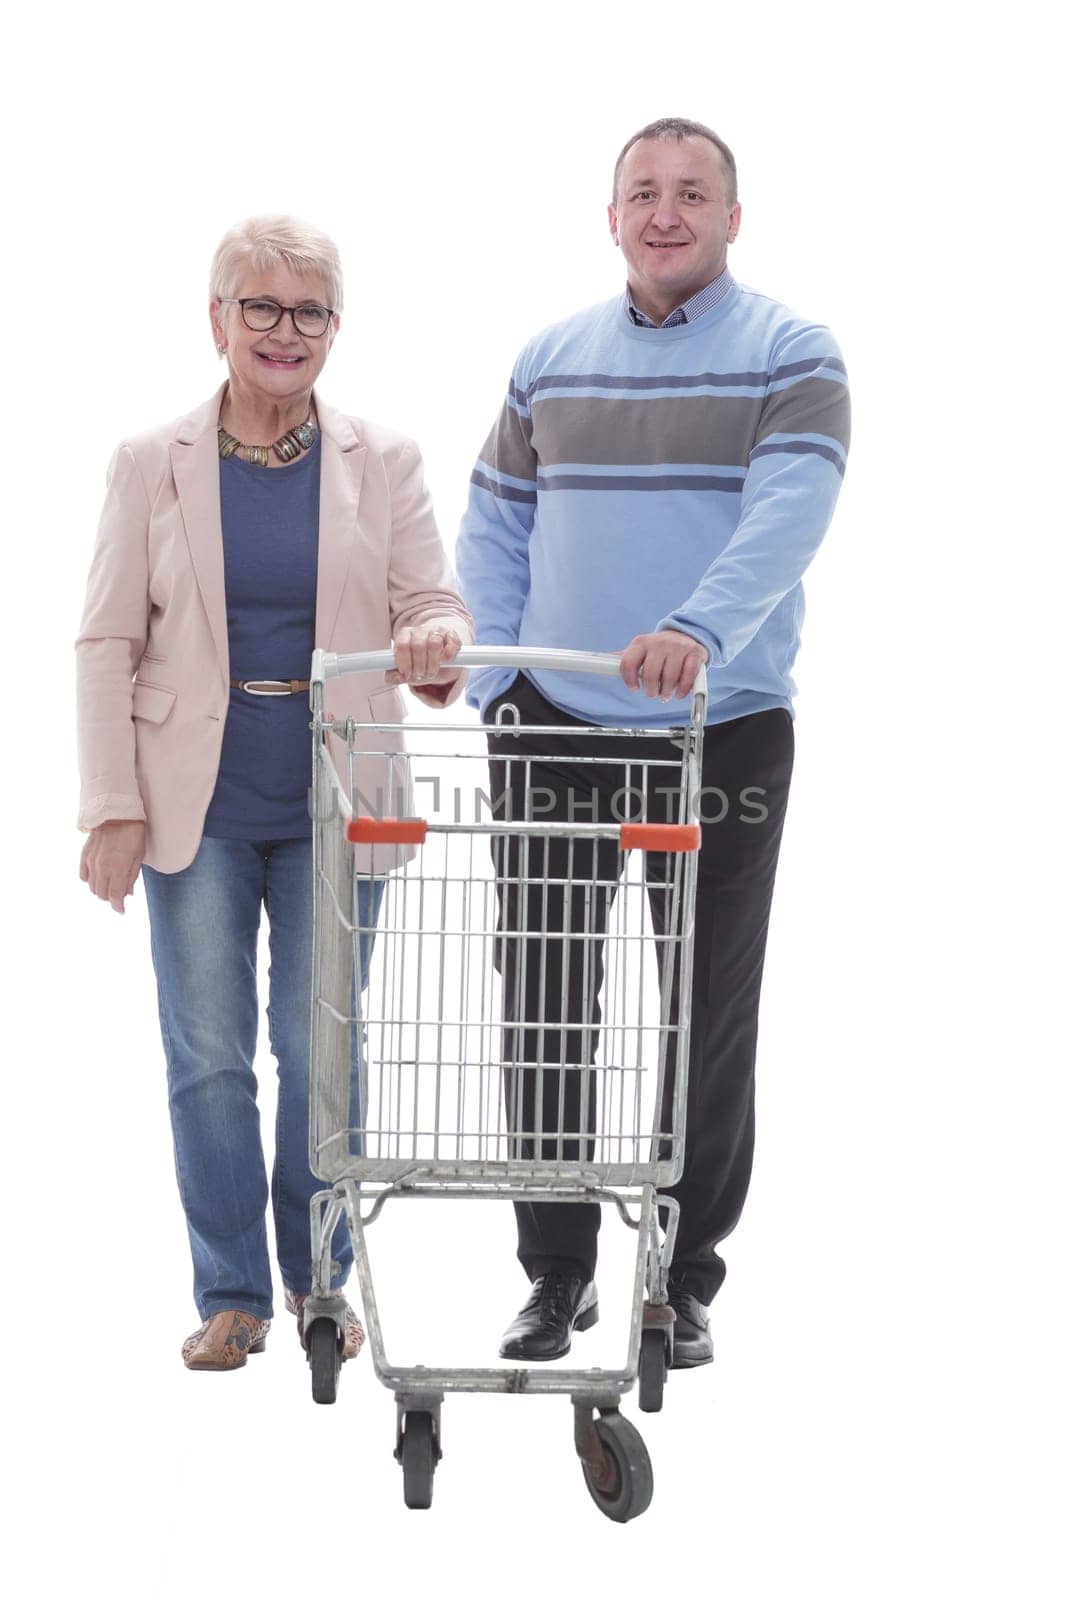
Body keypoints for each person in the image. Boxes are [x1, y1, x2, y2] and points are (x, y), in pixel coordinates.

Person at [456, 119, 850, 1367]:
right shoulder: (549, 359)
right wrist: (501, 677)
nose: (666, 212)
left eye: (692, 194)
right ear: (610, 216)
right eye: (643, 193)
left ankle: (679, 1279)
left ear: (733, 217)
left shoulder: (792, 352)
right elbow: (497, 519)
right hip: (555, 724)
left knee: (702, 1008)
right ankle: (556, 1270)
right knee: (548, 1002)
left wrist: (698, 628)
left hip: (718, 728)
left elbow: (789, 513)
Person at [76, 215, 473, 1372]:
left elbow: (425, 607)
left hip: (335, 794)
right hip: (189, 795)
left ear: (334, 329)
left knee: (321, 1048)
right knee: (206, 1052)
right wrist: (110, 804)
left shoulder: (383, 461)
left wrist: (436, 634)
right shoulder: (149, 461)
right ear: (217, 320)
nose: (284, 332)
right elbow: (104, 638)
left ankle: (318, 1282)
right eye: (260, 307)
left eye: (309, 312)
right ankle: (233, 1291)